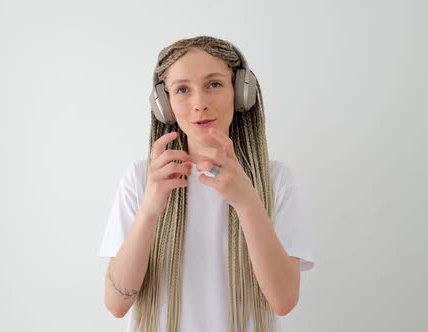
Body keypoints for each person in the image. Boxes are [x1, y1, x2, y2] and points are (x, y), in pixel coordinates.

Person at [99, 35, 315, 332]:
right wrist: (149, 210)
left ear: (241, 93)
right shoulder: (140, 179)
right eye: (183, 89)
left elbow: (284, 300)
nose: (199, 103)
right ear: (165, 104)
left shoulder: (275, 180)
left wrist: (246, 201)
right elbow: (116, 304)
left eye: (214, 84)